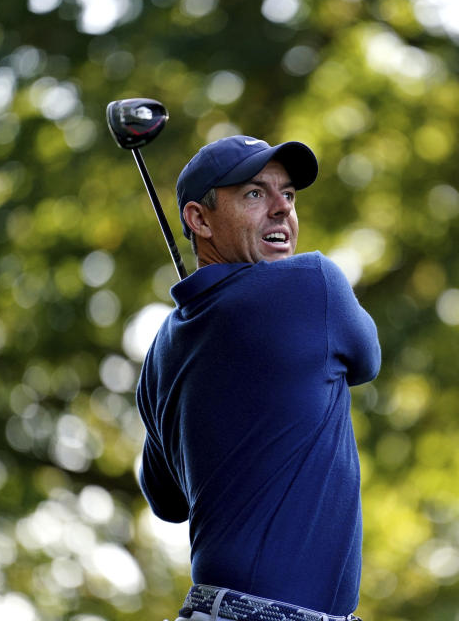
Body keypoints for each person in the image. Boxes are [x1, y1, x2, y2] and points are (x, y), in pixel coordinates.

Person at [134, 135, 382, 621]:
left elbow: (164, 499)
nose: (280, 211)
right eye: (254, 194)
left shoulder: (161, 352)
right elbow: (367, 358)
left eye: (287, 195)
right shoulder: (313, 285)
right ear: (198, 219)